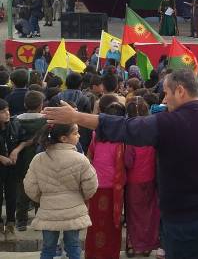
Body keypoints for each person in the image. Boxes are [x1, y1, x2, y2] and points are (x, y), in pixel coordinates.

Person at [42, 69, 198, 259]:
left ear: (180, 91)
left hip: (181, 217)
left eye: (166, 93)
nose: (164, 99)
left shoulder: (166, 123)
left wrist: (76, 117)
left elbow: (123, 127)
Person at [23, 123, 98, 259]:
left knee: (48, 248)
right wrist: (80, 197)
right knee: (73, 246)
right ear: (63, 138)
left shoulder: (38, 159)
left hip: (48, 211)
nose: (79, 135)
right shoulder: (81, 159)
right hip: (73, 211)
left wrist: (43, 198)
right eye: (75, 133)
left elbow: (30, 186)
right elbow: (91, 185)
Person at [85, 101, 126, 259]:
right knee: (112, 224)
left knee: (95, 223)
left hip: (96, 185)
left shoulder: (97, 135)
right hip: (114, 188)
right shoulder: (123, 138)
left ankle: (94, 254)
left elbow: (90, 156)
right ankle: (110, 255)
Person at [124, 97, 160, 256]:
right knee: (150, 213)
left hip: (133, 181)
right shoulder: (154, 133)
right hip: (151, 178)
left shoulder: (130, 136)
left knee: (133, 214)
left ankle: (133, 244)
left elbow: (128, 161)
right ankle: (147, 244)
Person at [15, 90, 47, 232]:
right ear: (41, 105)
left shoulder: (16, 120)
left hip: (21, 159)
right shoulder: (46, 121)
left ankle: (21, 221)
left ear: (25, 104)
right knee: (40, 189)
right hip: (41, 159)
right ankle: (39, 219)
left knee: (22, 188)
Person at [0, 99, 29, 241]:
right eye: (2, 111)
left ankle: (11, 225)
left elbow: (25, 140)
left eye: (7, 110)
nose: (7, 113)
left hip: (13, 167)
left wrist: (16, 150)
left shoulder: (14, 124)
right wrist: (1, 157)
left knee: (12, 195)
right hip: (1, 166)